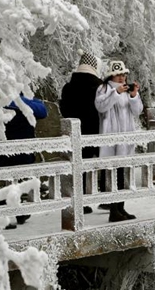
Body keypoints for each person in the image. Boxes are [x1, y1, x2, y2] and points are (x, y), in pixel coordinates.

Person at [95, 60, 143, 222]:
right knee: (112, 174)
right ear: (111, 76)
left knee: (122, 173)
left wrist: (134, 95)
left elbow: (137, 111)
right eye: (118, 75)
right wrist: (116, 94)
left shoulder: (126, 91)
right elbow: (101, 107)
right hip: (111, 138)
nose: (122, 78)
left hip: (126, 137)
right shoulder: (103, 89)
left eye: (123, 74)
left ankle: (121, 208)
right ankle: (113, 210)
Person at [0, 94, 47, 228]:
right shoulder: (25, 104)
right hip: (23, 153)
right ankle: (17, 213)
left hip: (2, 152)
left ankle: (10, 213)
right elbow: (42, 112)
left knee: (9, 182)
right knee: (17, 182)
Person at [60, 49, 102, 214]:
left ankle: (75, 201)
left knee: (75, 168)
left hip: (72, 134)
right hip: (94, 132)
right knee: (90, 166)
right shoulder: (98, 87)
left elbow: (64, 109)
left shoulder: (68, 87)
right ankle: (105, 199)